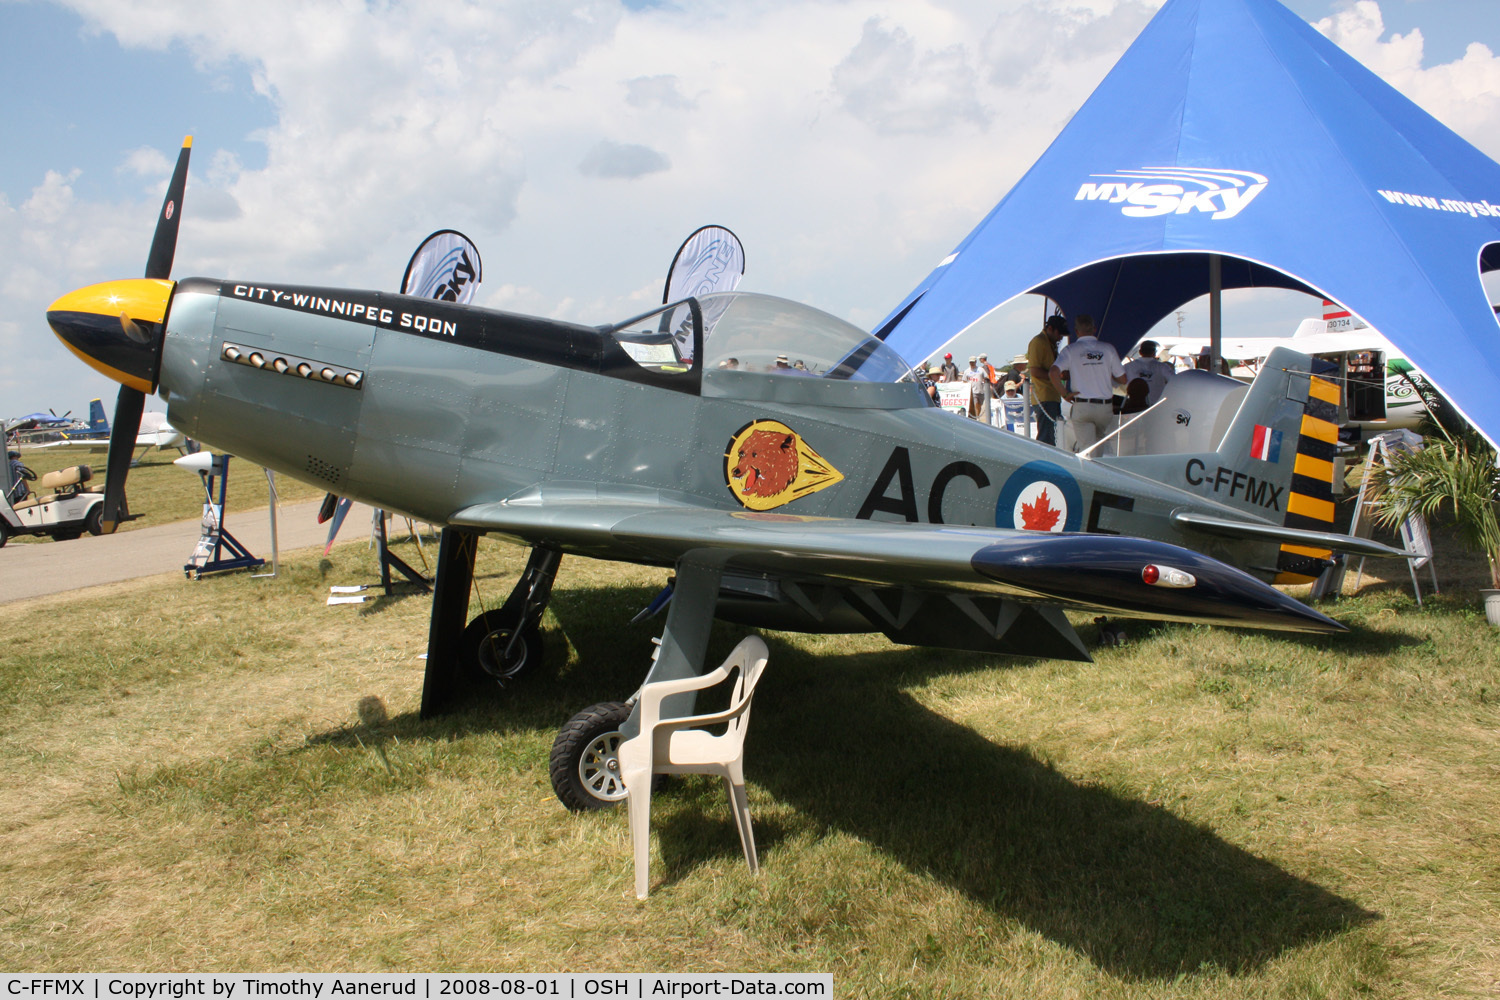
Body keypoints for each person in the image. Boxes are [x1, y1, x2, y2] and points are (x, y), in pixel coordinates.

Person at [1050, 314, 1126, 453]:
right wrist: (1104, 372)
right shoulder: (1108, 349)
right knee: (1098, 448)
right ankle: (1098, 472)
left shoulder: (1070, 350)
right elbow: (1123, 379)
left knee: (1087, 450)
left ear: (1077, 331)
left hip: (1083, 405)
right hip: (1104, 407)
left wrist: (1064, 393)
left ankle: (1089, 473)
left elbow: (1053, 372)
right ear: (1094, 329)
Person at [1027, 315, 1069, 445]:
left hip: (1051, 396)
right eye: (1059, 333)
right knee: (1046, 438)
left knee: (1051, 435)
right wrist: (1057, 376)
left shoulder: (1049, 343)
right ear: (1050, 328)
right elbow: (1034, 371)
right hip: (1044, 396)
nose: (1061, 337)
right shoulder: (1038, 342)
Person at [1123, 340, 1174, 405]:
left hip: (1135, 406)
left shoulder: (1128, 367)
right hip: (1157, 406)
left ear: (1140, 352)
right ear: (1154, 353)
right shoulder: (1163, 367)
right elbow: (1174, 381)